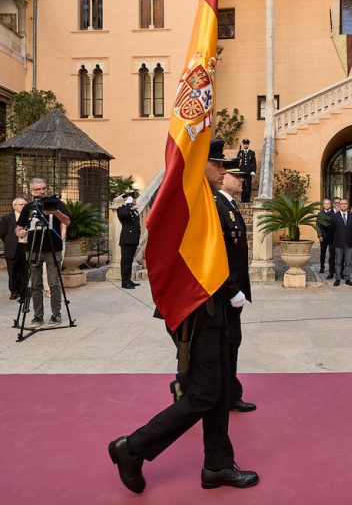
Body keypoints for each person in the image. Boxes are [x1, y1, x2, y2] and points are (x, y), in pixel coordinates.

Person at [109, 139, 258, 494]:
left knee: (220, 391)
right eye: (218, 163)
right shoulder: (188, 200)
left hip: (215, 307)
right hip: (196, 311)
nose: (224, 170)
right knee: (204, 394)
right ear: (197, 163)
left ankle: (217, 465)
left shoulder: (205, 200)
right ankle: (132, 448)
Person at [215, 162, 257, 413]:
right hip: (226, 291)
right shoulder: (217, 205)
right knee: (227, 343)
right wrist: (232, 289)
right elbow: (219, 255)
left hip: (235, 288)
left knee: (232, 342)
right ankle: (224, 395)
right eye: (236, 176)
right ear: (223, 178)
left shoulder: (230, 205)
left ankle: (230, 393)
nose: (242, 180)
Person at [15, 178, 70, 328]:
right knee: (36, 284)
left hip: (53, 248)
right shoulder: (28, 207)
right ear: (31, 191)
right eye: (38, 189)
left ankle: (56, 314)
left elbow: (67, 221)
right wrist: (19, 232)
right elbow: (19, 227)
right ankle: (38, 316)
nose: (41, 191)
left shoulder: (57, 204)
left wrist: (55, 212)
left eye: (43, 188)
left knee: (53, 283)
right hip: (33, 250)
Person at [1, 198, 28, 300]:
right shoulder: (7, 218)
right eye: (21, 204)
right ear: (14, 206)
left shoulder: (29, 217)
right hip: (12, 247)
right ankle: (13, 291)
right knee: (12, 271)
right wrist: (9, 241)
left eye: (25, 204)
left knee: (24, 271)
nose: (23, 206)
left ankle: (23, 292)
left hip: (25, 247)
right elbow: (2, 233)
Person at [329, 199, 352, 286]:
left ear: (347, 205)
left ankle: (347, 279)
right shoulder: (334, 216)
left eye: (345, 203)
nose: (344, 205)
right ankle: (337, 279)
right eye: (342, 204)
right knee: (338, 262)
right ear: (339, 205)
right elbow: (331, 230)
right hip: (338, 243)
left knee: (348, 262)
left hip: (349, 243)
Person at [117, 193, 142, 289]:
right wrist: (127, 203)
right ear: (127, 199)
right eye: (133, 199)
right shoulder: (122, 209)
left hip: (133, 239)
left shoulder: (133, 210)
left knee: (130, 260)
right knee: (125, 261)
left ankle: (128, 279)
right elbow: (124, 214)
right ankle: (124, 282)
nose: (135, 200)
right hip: (127, 240)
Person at [316, 199, 334, 276]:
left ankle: (332, 269)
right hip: (323, 236)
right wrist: (319, 235)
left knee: (332, 254)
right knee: (322, 253)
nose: (327, 205)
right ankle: (322, 267)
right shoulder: (320, 214)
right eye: (325, 203)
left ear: (331, 204)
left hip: (332, 237)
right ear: (323, 205)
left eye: (328, 203)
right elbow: (318, 225)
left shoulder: (334, 213)